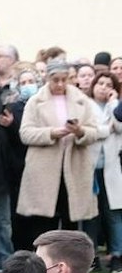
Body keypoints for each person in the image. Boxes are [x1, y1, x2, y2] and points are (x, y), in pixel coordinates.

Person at [17, 61, 102, 234]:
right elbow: (25, 133)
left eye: (64, 79)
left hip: (74, 166)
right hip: (44, 169)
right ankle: (44, 259)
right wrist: (52, 133)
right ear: (47, 78)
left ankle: (70, 259)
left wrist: (79, 131)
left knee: (71, 220)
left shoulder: (81, 100)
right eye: (56, 80)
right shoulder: (35, 101)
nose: (60, 84)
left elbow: (94, 132)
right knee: (43, 222)